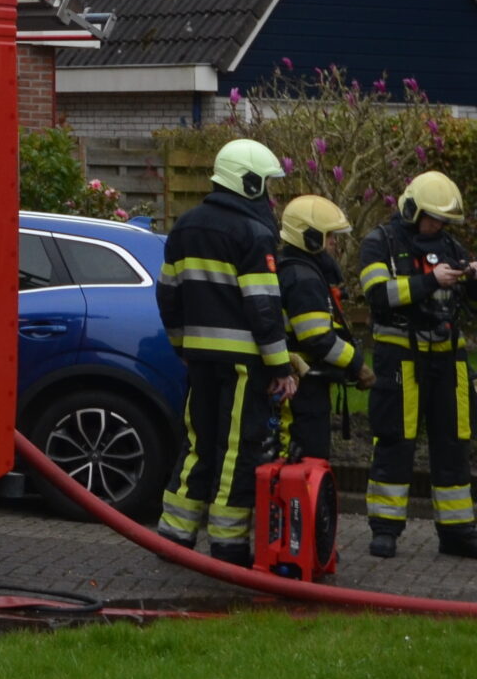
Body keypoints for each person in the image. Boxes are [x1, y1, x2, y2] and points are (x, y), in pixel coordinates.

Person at [155, 138, 295, 566]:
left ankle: (174, 534)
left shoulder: (185, 226)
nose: (270, 196)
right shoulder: (254, 234)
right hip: (242, 363)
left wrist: (182, 346)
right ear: (249, 183)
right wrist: (281, 366)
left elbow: (168, 296)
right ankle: (227, 544)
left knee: (198, 441)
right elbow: (264, 307)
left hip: (198, 359)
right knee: (237, 448)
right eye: (266, 186)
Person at [357, 171, 476, 559]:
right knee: (394, 440)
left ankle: (457, 532)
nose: (436, 226)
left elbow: (465, 303)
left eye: (442, 220)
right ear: (411, 209)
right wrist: (430, 282)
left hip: (448, 358)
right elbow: (377, 293)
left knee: (454, 444)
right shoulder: (381, 244)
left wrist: (471, 278)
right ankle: (386, 529)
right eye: (430, 218)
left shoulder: (451, 245)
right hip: (400, 358)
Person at [275, 194, 368, 463]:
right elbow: (317, 339)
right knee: (305, 460)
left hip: (302, 383)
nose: (335, 244)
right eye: (330, 237)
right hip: (303, 388)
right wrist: (357, 364)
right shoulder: (304, 279)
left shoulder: (299, 270)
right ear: (311, 238)